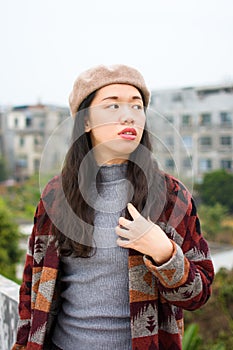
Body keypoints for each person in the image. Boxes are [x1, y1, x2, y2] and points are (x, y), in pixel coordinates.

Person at [12, 64, 214, 350]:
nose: (128, 115)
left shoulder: (169, 196)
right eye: (113, 106)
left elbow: (199, 295)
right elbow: (31, 289)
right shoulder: (56, 196)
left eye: (137, 106)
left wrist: (165, 254)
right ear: (85, 122)